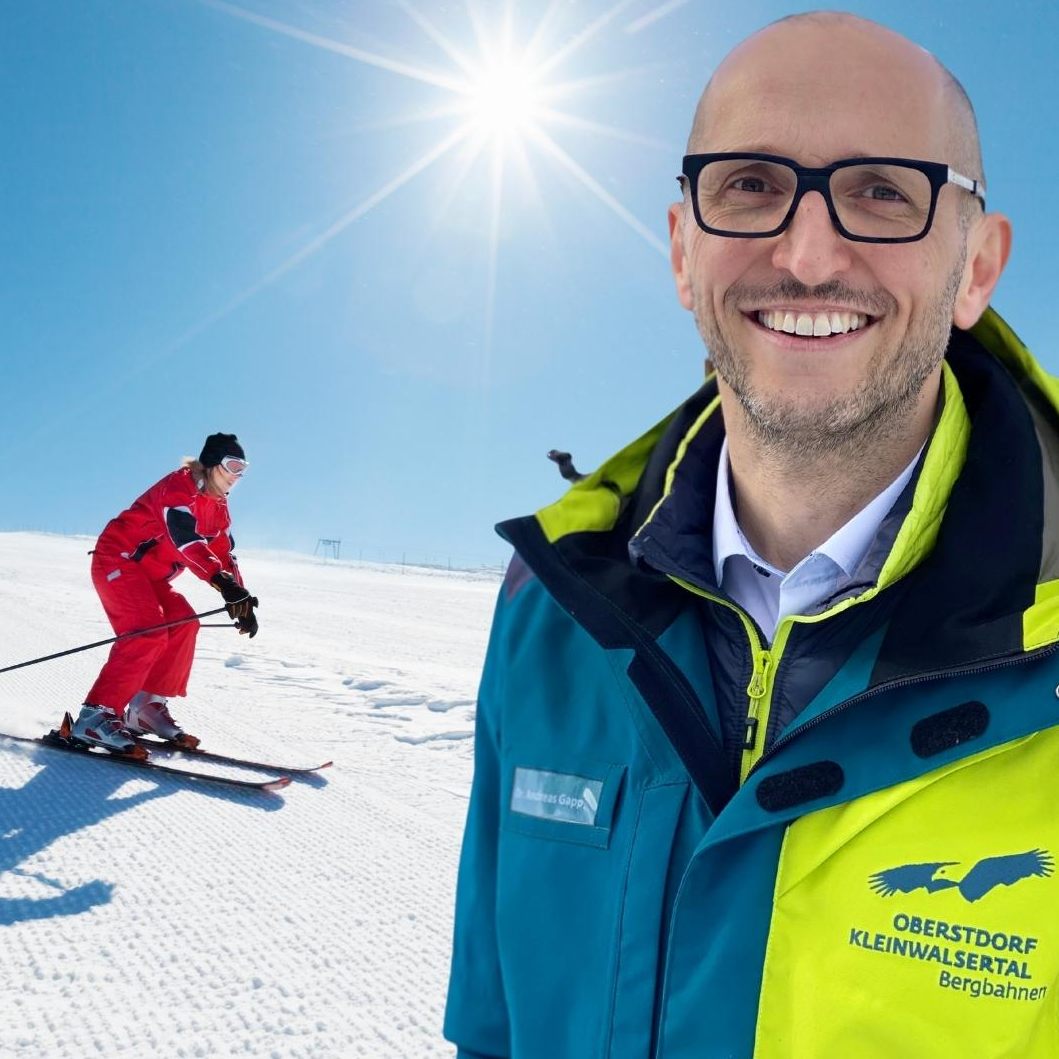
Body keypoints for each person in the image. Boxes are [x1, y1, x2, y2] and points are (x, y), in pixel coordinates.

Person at [444, 12, 1059, 1058]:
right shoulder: (548, 613)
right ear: (683, 252)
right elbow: (496, 1026)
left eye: (881, 191)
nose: (808, 254)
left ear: (977, 269)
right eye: (750, 186)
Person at [69, 432, 259, 757]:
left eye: (243, 469)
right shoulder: (178, 488)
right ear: (212, 463)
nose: (237, 476)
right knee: (147, 631)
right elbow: (185, 540)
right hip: (119, 560)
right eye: (232, 465)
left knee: (184, 622)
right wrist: (223, 584)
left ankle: (145, 707)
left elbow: (224, 553)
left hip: (152, 577)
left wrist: (239, 595)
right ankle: (96, 714)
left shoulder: (218, 507)